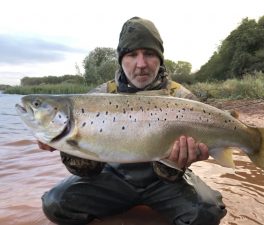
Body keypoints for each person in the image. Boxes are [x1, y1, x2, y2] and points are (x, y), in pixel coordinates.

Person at [40, 17, 227, 225]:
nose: (141, 64)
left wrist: (181, 160)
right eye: (131, 54)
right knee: (55, 204)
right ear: (121, 59)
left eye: (149, 54)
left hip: (166, 185)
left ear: (160, 58)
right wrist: (64, 144)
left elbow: (203, 147)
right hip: (113, 180)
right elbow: (87, 171)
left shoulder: (182, 98)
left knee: (208, 213)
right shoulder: (98, 97)